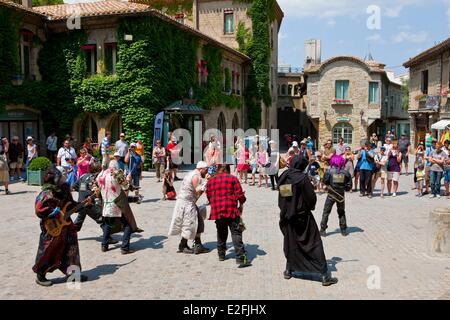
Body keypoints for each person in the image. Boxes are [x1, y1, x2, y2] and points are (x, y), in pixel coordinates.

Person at [278, 155, 338, 286]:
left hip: (288, 216)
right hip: (302, 216)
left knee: (291, 242)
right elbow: (310, 197)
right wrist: (308, 205)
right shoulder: (302, 178)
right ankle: (323, 275)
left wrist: (287, 210)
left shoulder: (285, 176)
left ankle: (289, 270)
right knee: (314, 242)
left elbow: (284, 197)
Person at [33, 166, 89, 286]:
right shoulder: (47, 192)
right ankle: (41, 274)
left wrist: (82, 204)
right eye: (63, 174)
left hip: (67, 225)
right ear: (55, 178)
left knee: (72, 249)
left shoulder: (64, 189)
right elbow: (39, 209)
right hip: (52, 226)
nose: (65, 175)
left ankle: (73, 274)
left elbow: (70, 205)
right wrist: (52, 213)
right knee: (48, 249)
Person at [206, 164, 250, 267]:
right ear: (227, 170)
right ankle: (240, 258)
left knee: (221, 232)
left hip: (217, 211)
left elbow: (208, 195)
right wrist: (242, 203)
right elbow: (240, 195)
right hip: (231, 209)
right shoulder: (233, 179)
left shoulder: (211, 181)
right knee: (236, 233)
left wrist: (214, 204)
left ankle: (221, 254)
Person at [168, 161, 210, 254]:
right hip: (186, 203)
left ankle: (193, 244)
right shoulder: (196, 176)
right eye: (206, 170)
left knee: (195, 222)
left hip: (186, 202)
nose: (206, 172)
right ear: (201, 169)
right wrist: (206, 182)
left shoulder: (191, 173)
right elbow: (198, 191)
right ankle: (185, 245)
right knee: (189, 223)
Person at [97, 160, 134, 254]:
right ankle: (125, 248)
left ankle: (104, 245)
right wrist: (128, 179)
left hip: (106, 203)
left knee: (108, 224)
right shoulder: (117, 174)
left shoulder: (101, 175)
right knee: (128, 224)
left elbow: (97, 186)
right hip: (117, 204)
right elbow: (126, 187)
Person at [320, 154, 352, 237]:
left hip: (331, 194)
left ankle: (323, 230)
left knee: (326, 212)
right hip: (340, 195)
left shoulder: (329, 171)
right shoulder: (346, 172)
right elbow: (349, 187)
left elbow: (325, 182)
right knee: (341, 212)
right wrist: (343, 187)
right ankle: (343, 230)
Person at [72, 161, 107, 235]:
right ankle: (107, 238)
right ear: (97, 170)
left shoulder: (83, 176)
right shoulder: (95, 178)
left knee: (79, 220)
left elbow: (75, 186)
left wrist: (82, 192)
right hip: (89, 203)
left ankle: (69, 234)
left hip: (81, 202)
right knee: (102, 219)